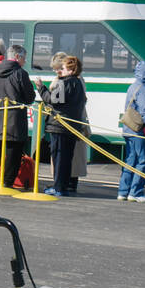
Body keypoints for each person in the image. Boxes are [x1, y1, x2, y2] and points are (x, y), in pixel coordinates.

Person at [0, 44, 34, 187]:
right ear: (17, 57)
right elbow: (29, 97)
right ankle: (7, 182)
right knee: (13, 151)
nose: (24, 62)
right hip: (15, 120)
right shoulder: (21, 73)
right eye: (24, 58)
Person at [39, 55, 89, 196]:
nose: (61, 71)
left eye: (63, 68)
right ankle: (65, 185)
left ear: (71, 70)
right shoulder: (79, 83)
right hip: (72, 126)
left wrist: (41, 88)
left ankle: (58, 187)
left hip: (60, 125)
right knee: (67, 158)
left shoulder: (63, 83)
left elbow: (52, 100)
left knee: (59, 157)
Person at [118, 61, 145, 203]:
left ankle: (123, 191)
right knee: (143, 160)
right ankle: (136, 192)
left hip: (128, 129)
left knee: (130, 160)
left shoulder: (134, 85)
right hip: (139, 131)